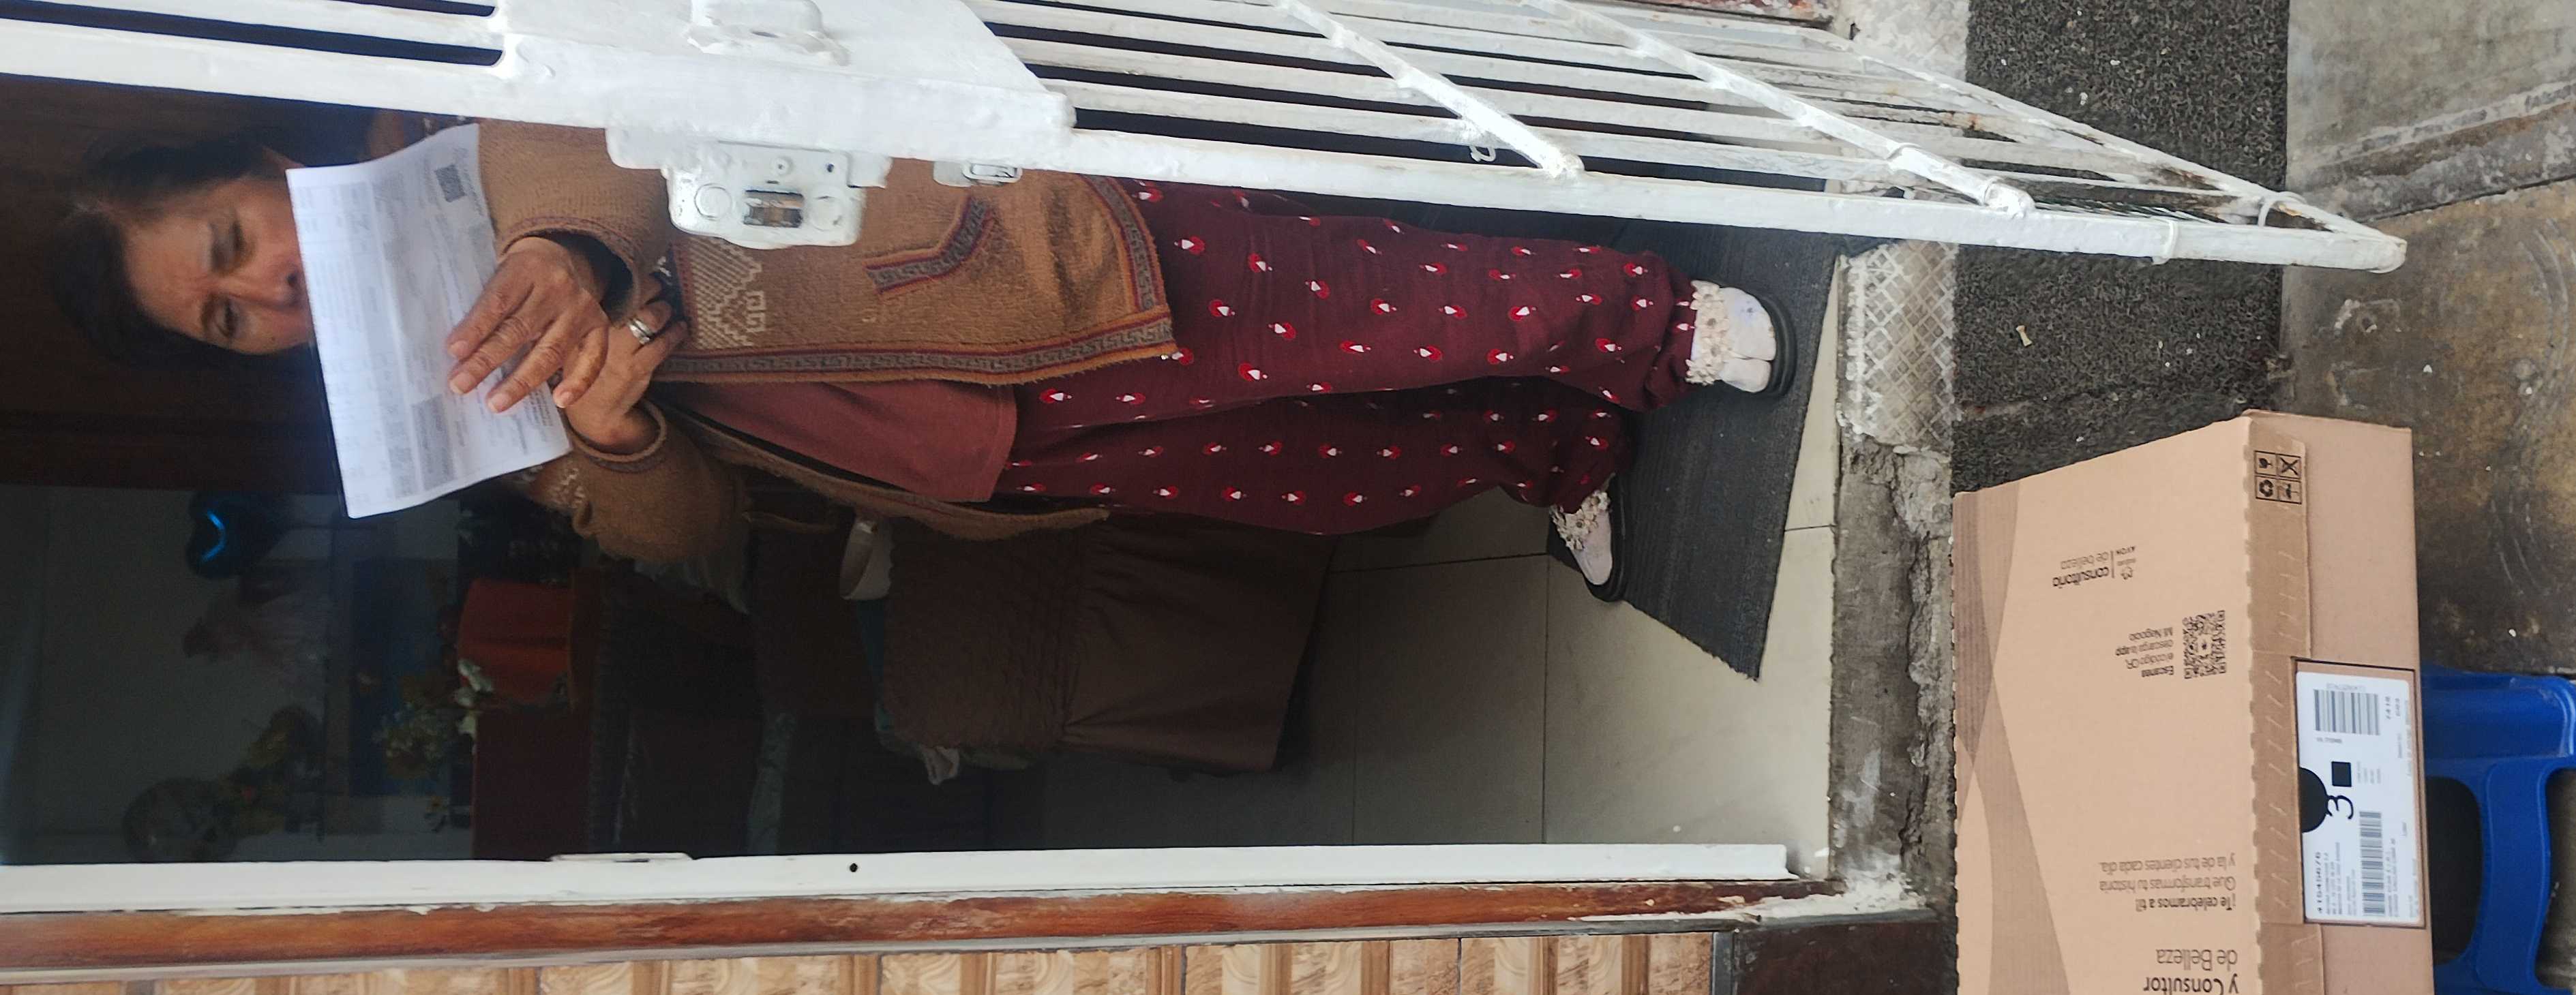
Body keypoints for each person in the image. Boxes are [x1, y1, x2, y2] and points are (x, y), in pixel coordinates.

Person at [50, 119, 1788, 594]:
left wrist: (565, 248)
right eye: (227, 315)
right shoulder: (439, 405)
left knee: (1330, 305)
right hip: (967, 449)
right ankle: (1554, 445)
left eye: (233, 242)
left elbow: (593, 130)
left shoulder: (450, 116)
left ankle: (1644, 322)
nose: (271, 289)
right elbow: (691, 541)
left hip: (975, 273)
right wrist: (627, 445)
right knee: (1313, 472)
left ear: (258, 172)